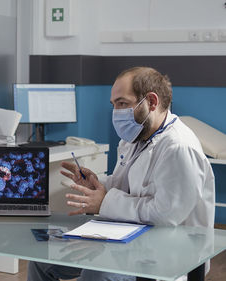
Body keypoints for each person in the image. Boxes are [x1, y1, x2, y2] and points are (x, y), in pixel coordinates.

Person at [27, 66, 215, 281]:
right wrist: (98, 185)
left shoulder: (179, 148)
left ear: (152, 102)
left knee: (96, 274)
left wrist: (104, 202)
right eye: (114, 105)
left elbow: (166, 216)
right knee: (41, 259)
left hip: (165, 253)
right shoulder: (135, 138)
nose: (116, 112)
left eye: (123, 103)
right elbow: (127, 184)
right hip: (125, 237)